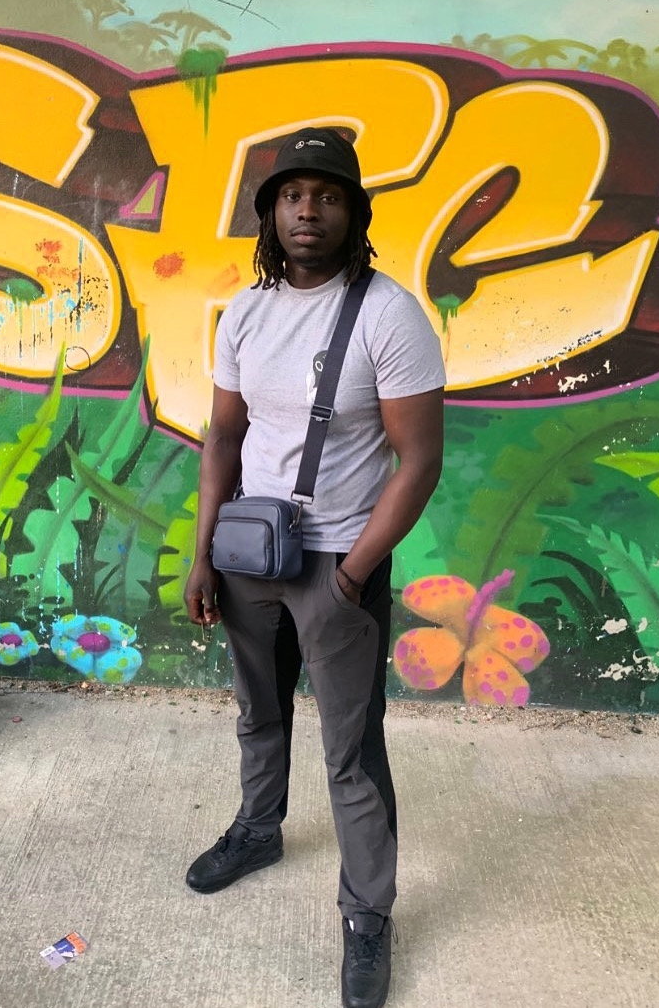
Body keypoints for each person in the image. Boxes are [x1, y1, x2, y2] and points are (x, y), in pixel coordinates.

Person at [183, 126, 445, 1008]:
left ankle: (367, 913)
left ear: (353, 214)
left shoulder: (389, 314)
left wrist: (351, 575)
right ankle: (259, 829)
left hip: (338, 562)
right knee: (258, 714)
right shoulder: (245, 313)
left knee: (351, 754)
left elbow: (419, 461)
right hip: (248, 552)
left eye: (328, 196)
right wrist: (204, 552)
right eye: (292, 195)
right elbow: (223, 438)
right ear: (270, 214)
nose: (308, 210)